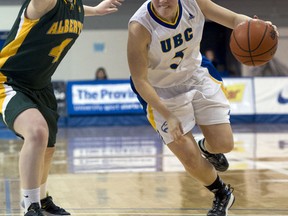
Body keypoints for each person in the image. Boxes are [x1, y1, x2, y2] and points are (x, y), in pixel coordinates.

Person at [127, 0, 278, 215]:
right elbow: (140, 80)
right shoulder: (139, 26)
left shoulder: (194, 3)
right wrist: (167, 114)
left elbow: (235, 20)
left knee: (223, 144)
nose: (162, 2)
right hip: (159, 90)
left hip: (195, 75)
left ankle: (206, 148)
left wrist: (262, 27)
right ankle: (222, 193)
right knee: (187, 155)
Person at [0, 0, 123, 215]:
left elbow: (72, 7)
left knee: (48, 147)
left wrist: (95, 10)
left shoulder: (73, 5)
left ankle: (42, 198)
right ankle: (30, 204)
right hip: (9, 80)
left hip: (41, 83)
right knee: (37, 132)